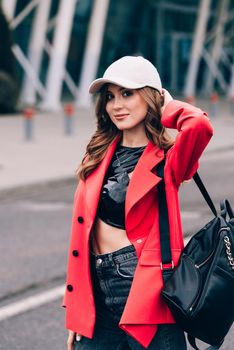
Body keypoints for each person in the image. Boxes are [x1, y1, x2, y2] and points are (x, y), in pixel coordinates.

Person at [63, 56, 213, 350]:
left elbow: (198, 125)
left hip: (144, 288)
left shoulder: (169, 160)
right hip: (96, 290)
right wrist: (76, 314)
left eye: (127, 94)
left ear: (149, 97)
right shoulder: (98, 153)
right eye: (110, 96)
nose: (116, 105)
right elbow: (81, 235)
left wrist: (165, 104)